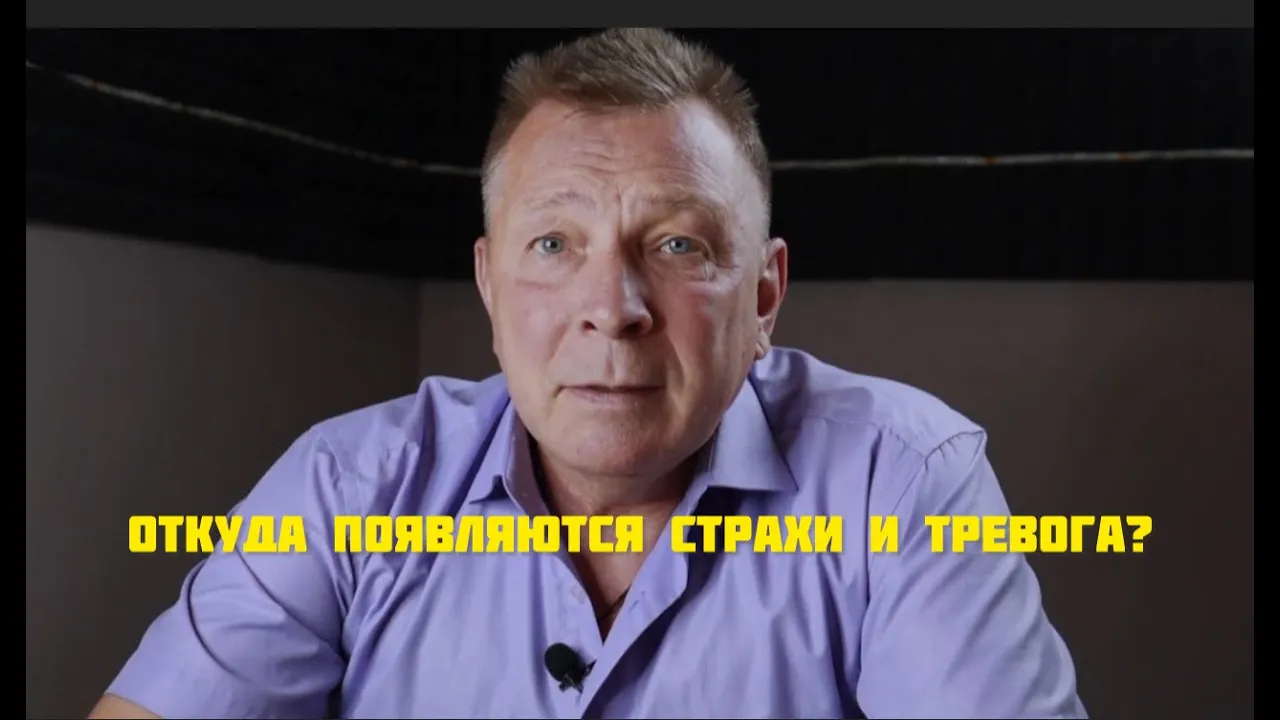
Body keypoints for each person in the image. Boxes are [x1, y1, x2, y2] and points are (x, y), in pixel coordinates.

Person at [90, 28, 1087, 720]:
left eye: (679, 245)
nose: (612, 306)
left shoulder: (900, 481)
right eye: (554, 243)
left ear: (764, 295)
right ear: (490, 286)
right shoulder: (347, 486)